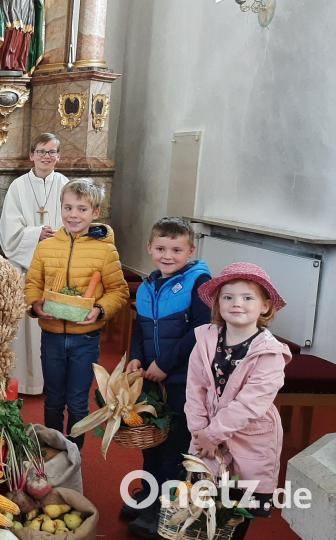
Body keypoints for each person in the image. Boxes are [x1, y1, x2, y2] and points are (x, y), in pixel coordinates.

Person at [184, 263, 290, 539]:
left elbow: (249, 405)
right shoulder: (206, 339)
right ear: (218, 304)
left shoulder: (269, 353)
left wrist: (212, 434)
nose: (236, 304)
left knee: (235, 515)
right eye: (227, 297)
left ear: (265, 306)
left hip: (249, 439)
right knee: (204, 506)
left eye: (247, 297)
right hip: (205, 434)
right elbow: (195, 388)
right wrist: (198, 429)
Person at [122, 217, 212, 538]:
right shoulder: (148, 285)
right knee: (151, 442)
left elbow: (200, 332)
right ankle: (148, 494)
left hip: (184, 380)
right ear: (150, 248)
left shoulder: (199, 282)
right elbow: (141, 329)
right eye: (160, 248)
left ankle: (163, 507)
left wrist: (165, 363)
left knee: (175, 444)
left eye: (176, 249)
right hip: (153, 379)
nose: (167, 255)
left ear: (190, 250)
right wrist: (136, 358)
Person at [24, 179, 130, 449]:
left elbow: (119, 291)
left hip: (86, 338)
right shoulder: (47, 247)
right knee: (54, 399)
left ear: (95, 213)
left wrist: (99, 309)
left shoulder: (105, 250)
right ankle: (51, 452)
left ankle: (74, 455)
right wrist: (35, 304)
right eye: (68, 207)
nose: (74, 215)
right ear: (60, 208)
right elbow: (33, 283)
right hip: (52, 337)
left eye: (82, 209)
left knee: (78, 401)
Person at [0, 133, 70, 394]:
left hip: (56, 267)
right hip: (25, 266)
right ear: (31, 155)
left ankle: (51, 383)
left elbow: (74, 220)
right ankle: (24, 381)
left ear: (58, 157)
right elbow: (8, 229)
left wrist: (57, 240)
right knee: (25, 327)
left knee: (53, 324)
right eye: (41, 151)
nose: (46, 157)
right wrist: (35, 234)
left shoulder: (65, 185)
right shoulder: (18, 186)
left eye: (52, 152)